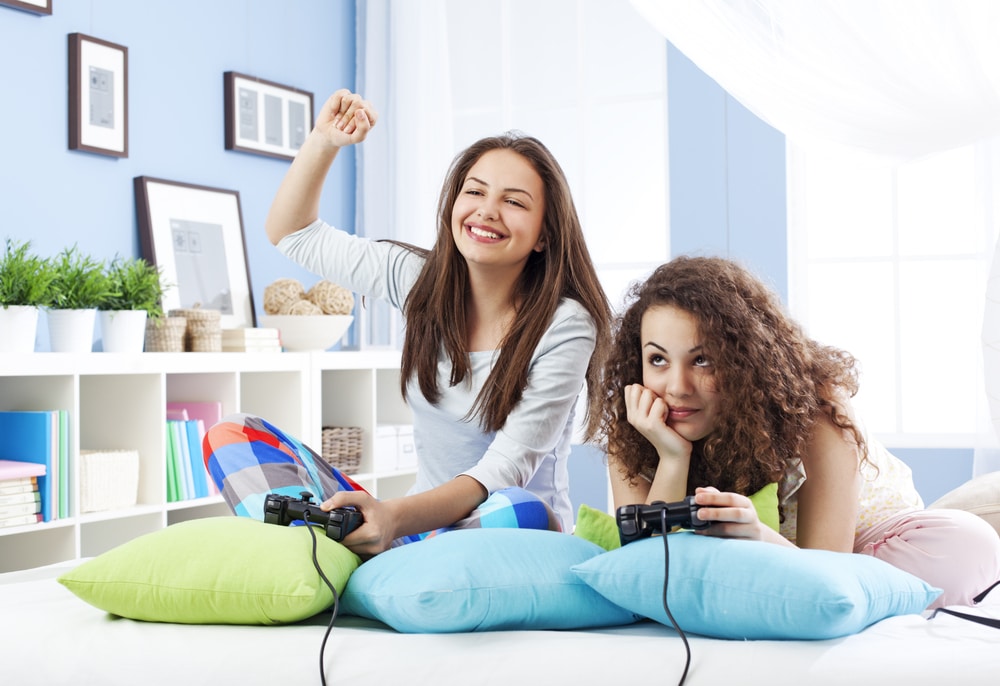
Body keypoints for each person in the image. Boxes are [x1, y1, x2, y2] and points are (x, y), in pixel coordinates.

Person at [204, 89, 611, 557]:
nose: (486, 210)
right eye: (474, 191)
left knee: (521, 508)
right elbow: (292, 233)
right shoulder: (419, 280)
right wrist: (324, 141)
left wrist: (392, 517)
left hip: (499, 529)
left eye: (514, 202)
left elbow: (503, 470)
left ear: (544, 234)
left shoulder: (566, 324)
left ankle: (362, 555)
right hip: (415, 533)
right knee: (231, 432)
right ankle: (321, 545)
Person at [600, 255, 1000, 608]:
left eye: (702, 360)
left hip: (867, 547)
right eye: (658, 359)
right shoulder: (633, 431)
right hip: (791, 566)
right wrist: (673, 457)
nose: (677, 386)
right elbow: (645, 571)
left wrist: (758, 538)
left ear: (743, 360)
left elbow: (828, 572)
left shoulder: (816, 413)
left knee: (969, 544)